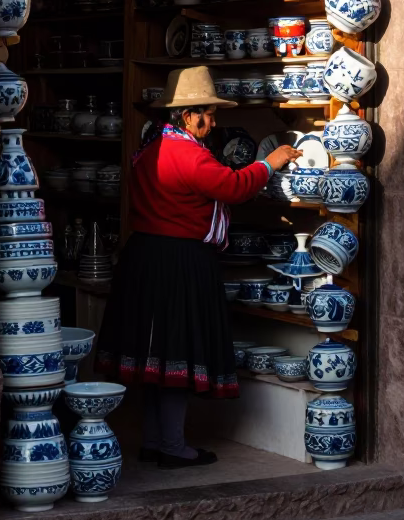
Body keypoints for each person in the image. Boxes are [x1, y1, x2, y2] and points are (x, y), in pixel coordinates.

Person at [94, 66, 302, 469]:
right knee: (176, 351)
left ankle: (157, 440)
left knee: (156, 355)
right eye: (208, 111)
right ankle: (171, 445)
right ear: (188, 116)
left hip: (146, 258)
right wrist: (271, 162)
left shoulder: (152, 149)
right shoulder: (186, 154)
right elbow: (234, 187)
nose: (214, 120)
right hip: (178, 261)